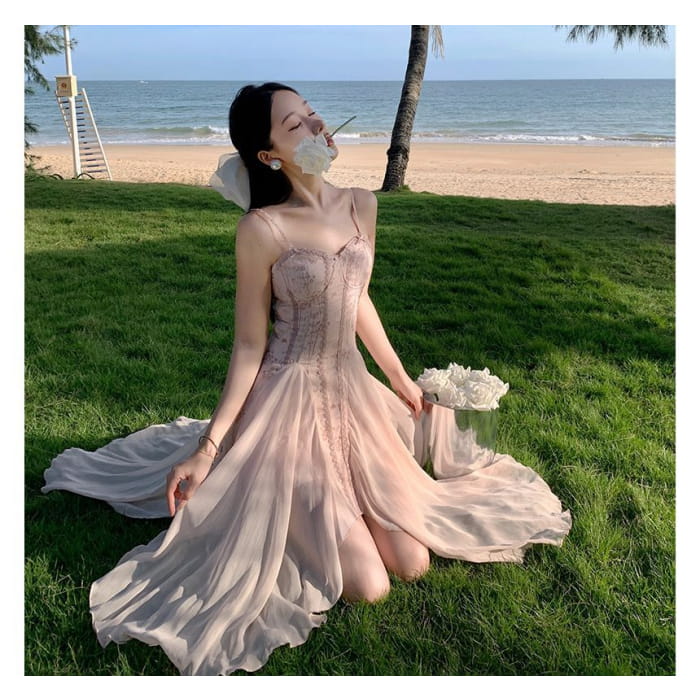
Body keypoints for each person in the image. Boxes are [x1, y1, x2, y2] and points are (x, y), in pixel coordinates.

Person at [41, 82, 573, 676]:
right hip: (287, 405)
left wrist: (398, 377)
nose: (317, 126)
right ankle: (306, 513)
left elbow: (357, 297)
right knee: (370, 586)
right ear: (269, 155)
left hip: (353, 392)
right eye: (294, 125)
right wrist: (208, 446)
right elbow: (250, 344)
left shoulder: (361, 204)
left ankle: (353, 506)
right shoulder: (261, 229)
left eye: (313, 114)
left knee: (413, 563)